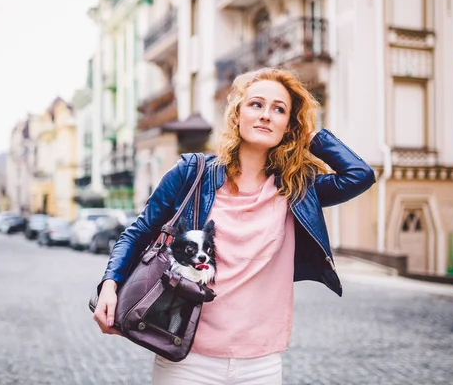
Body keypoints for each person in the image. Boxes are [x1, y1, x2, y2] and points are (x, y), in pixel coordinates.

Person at [93, 67, 376, 384]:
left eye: (279, 109)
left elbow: (359, 175)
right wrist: (109, 284)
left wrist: (309, 135)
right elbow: (138, 233)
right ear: (237, 113)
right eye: (256, 104)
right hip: (187, 358)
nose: (266, 115)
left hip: (261, 365)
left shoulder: (296, 190)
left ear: (288, 124)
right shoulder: (192, 173)